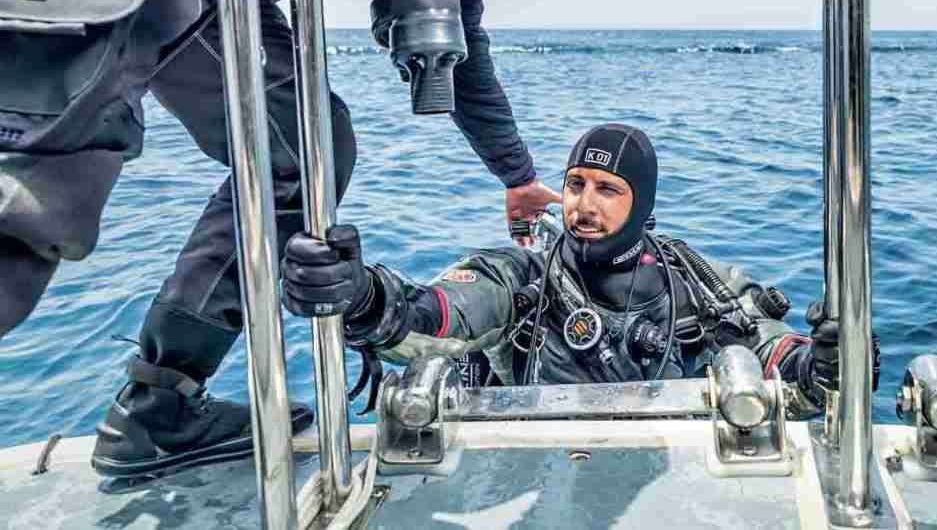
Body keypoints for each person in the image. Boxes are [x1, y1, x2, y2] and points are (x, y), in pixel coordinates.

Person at [0, 0, 619, 476]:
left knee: (306, 146)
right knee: (30, 197)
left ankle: (159, 407)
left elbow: (469, 65)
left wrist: (515, 177)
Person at [282, 124, 881, 414]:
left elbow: (768, 351)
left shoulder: (696, 282)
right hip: (530, 459)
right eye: (574, 185)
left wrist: (825, 363)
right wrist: (363, 298)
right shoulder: (522, 278)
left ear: (641, 205)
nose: (583, 206)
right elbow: (441, 314)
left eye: (607, 190)